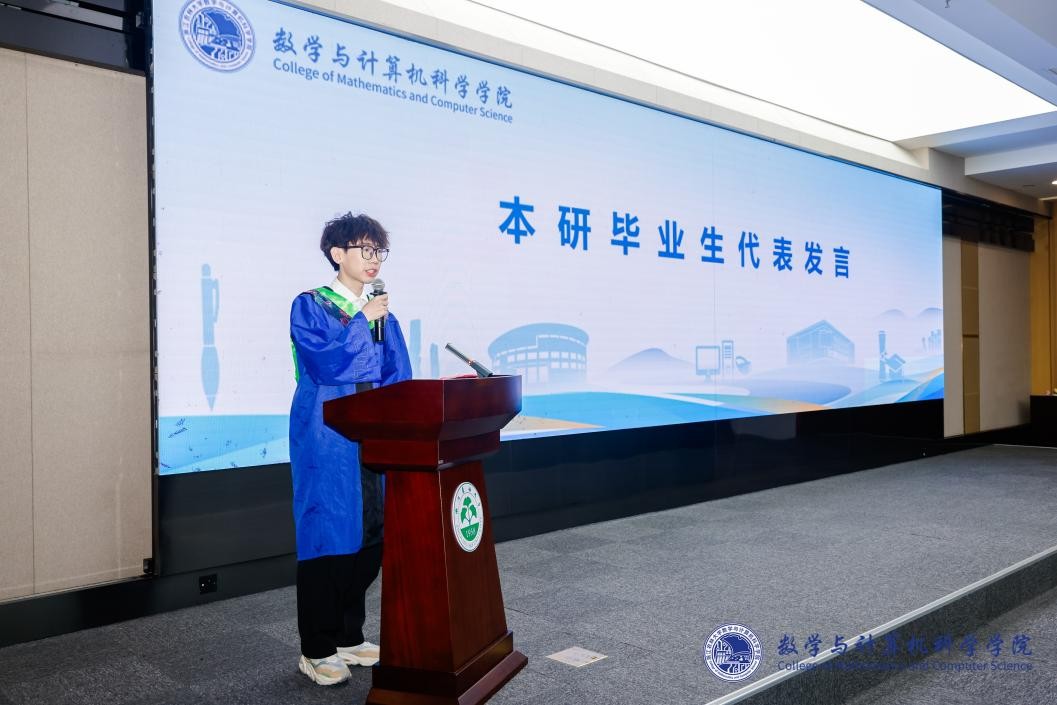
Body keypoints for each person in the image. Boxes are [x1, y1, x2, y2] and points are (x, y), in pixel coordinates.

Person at [288, 212, 412, 685]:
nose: (374, 259)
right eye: (365, 249)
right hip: (327, 438)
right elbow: (326, 363)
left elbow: (396, 376)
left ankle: (347, 634)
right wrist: (362, 320)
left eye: (379, 250)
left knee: (368, 535)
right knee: (328, 536)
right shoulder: (311, 305)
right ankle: (316, 647)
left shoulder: (382, 313)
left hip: (371, 437)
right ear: (337, 254)